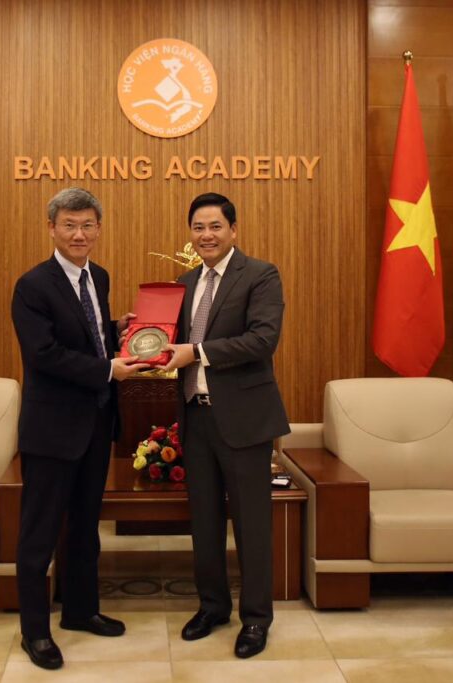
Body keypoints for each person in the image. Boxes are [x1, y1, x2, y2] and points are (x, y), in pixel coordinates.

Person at [10, 187, 148, 670]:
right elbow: (44, 354)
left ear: (98, 229)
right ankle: (34, 632)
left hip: (95, 424)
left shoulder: (98, 276)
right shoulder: (32, 286)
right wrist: (110, 368)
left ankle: (81, 610)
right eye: (69, 225)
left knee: (86, 526)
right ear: (51, 228)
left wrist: (116, 330)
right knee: (39, 534)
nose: (79, 234)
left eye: (88, 225)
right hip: (51, 430)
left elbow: (85, 335)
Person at [164, 192, 290, 659]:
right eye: (198, 227)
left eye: (215, 226)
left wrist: (196, 352)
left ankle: (255, 619)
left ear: (233, 230)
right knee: (205, 522)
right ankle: (212, 607)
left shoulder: (260, 274)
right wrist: (137, 333)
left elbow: (262, 339)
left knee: (252, 523)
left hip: (244, 419)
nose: (206, 235)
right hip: (195, 416)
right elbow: (170, 341)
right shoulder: (185, 282)